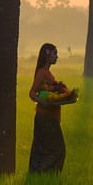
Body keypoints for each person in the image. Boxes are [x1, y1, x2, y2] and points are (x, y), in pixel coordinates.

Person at [28, 43, 67, 173]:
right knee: (58, 150)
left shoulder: (48, 74)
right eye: (55, 53)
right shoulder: (42, 73)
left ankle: (42, 176)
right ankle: (44, 174)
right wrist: (42, 102)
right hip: (45, 117)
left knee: (45, 149)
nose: (57, 57)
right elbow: (32, 93)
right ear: (47, 55)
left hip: (50, 117)